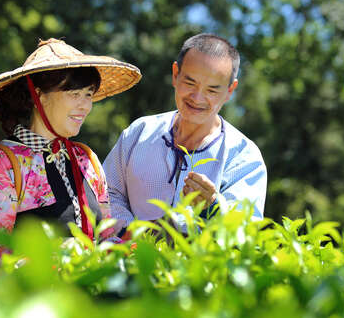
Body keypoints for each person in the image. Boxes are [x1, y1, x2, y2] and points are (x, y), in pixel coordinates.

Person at [0, 38, 141, 268]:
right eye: (74, 94)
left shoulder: (85, 159)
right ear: (39, 95)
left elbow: (104, 236)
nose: (85, 106)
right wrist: (57, 256)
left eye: (88, 94)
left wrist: (129, 249)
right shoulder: (2, 163)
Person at [103, 33, 266, 235]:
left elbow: (245, 232)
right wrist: (131, 235)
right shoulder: (139, 133)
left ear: (230, 91)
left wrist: (213, 207)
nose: (197, 98)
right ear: (175, 74)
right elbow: (108, 193)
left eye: (212, 90)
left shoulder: (243, 156)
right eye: (190, 83)